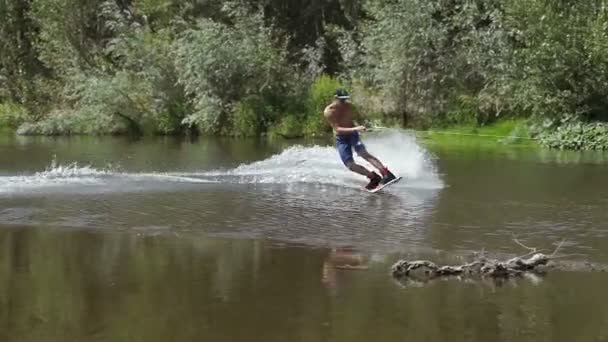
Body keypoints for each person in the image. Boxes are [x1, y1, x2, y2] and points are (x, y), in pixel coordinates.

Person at [323, 89, 396, 190]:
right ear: (335, 98)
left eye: (345, 99)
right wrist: (356, 128)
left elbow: (357, 118)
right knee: (350, 165)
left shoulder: (350, 106)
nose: (344, 102)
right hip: (342, 138)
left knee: (363, 153)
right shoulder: (329, 112)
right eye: (341, 100)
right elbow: (337, 129)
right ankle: (374, 178)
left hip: (353, 134)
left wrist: (362, 126)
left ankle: (386, 173)